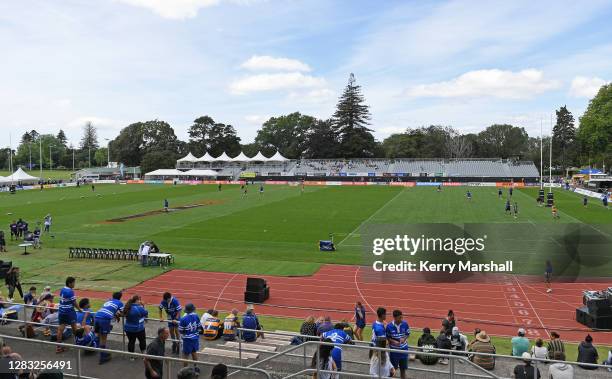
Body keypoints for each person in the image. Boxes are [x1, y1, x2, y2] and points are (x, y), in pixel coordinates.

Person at [94, 291, 124, 364]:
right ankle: (102, 357)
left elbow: (110, 309)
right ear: (120, 297)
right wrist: (118, 316)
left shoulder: (108, 300)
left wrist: (116, 315)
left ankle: (98, 349)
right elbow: (122, 313)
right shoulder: (120, 303)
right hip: (104, 319)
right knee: (103, 338)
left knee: (98, 335)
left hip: (97, 316)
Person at [56, 277, 82, 353]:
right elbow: (74, 302)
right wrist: (80, 309)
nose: (74, 284)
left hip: (61, 311)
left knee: (60, 329)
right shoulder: (70, 291)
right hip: (69, 312)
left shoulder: (62, 289)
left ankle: (58, 347)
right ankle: (78, 344)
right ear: (70, 283)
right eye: (74, 283)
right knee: (75, 329)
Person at [386, 310, 410, 379]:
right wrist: (393, 341)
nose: (401, 319)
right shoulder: (389, 326)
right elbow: (388, 337)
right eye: (400, 318)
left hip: (404, 351)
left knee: (403, 370)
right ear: (394, 317)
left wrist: (404, 338)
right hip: (394, 352)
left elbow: (407, 334)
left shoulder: (405, 324)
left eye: (402, 317)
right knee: (393, 370)